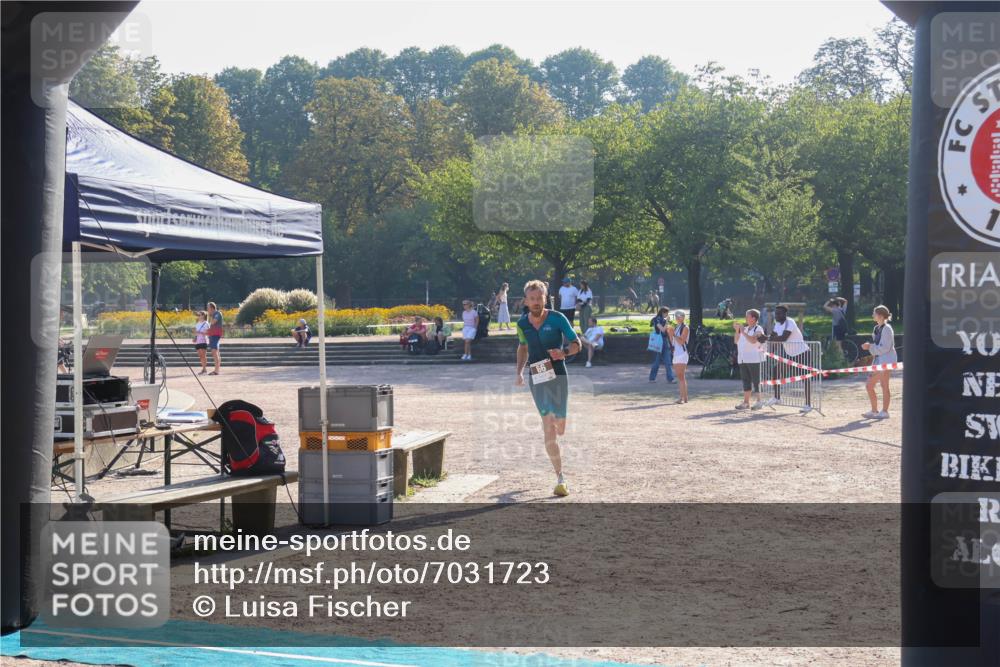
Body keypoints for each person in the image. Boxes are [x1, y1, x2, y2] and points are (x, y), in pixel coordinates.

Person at [515, 280, 580, 497]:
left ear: (545, 298)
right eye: (531, 298)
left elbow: (576, 343)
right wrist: (519, 372)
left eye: (539, 298)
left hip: (558, 374)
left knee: (559, 427)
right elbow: (523, 347)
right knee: (548, 425)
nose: (535, 302)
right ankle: (560, 476)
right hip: (538, 374)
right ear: (526, 300)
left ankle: (560, 420)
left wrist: (564, 353)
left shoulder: (557, 318)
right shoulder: (522, 324)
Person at [761, 305, 812, 413]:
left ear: (785, 314)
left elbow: (784, 338)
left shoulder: (790, 322)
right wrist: (769, 351)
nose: (777, 316)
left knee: (805, 378)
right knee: (776, 370)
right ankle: (777, 397)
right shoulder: (777, 324)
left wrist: (767, 338)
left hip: (802, 353)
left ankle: (808, 404)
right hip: (789, 354)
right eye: (776, 313)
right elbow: (774, 338)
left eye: (779, 314)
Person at [861, 305, 896, 419]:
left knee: (884, 385)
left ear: (880, 316)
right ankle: (874, 410)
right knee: (869, 385)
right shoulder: (876, 328)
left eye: (874, 314)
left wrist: (869, 347)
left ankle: (885, 411)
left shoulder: (887, 329)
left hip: (886, 361)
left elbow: (884, 347)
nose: (872, 315)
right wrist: (870, 347)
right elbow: (877, 346)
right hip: (878, 361)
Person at [733, 309, 764, 410]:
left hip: (754, 359)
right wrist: (737, 331)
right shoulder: (745, 329)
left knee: (756, 381)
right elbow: (736, 341)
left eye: (747, 316)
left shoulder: (759, 329)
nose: (745, 318)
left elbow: (753, 340)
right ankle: (746, 402)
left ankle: (759, 401)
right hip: (742, 358)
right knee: (746, 381)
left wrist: (742, 331)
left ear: (754, 318)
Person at [648, 306, 676, 383]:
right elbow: (663, 330)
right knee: (656, 362)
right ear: (663, 312)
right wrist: (667, 322)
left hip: (665, 341)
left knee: (668, 361)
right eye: (666, 313)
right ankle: (652, 378)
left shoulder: (663, 320)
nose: (667, 315)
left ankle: (670, 378)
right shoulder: (656, 320)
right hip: (659, 342)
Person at [669, 310, 690, 403]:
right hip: (676, 354)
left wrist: (673, 334)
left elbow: (681, 341)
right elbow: (673, 342)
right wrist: (670, 333)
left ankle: (682, 398)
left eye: (679, 316)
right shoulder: (676, 327)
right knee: (680, 377)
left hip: (682, 353)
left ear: (683, 317)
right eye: (676, 316)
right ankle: (684, 398)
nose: (677, 318)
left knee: (681, 376)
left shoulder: (685, 328)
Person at [206, 301, 224, 375]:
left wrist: (209, 321)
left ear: (212, 308)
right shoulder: (213, 314)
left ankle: (216, 370)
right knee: (216, 352)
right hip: (213, 334)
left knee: (214, 351)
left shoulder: (217, 314)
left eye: (208, 308)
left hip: (215, 334)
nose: (207, 310)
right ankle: (217, 370)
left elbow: (213, 322)